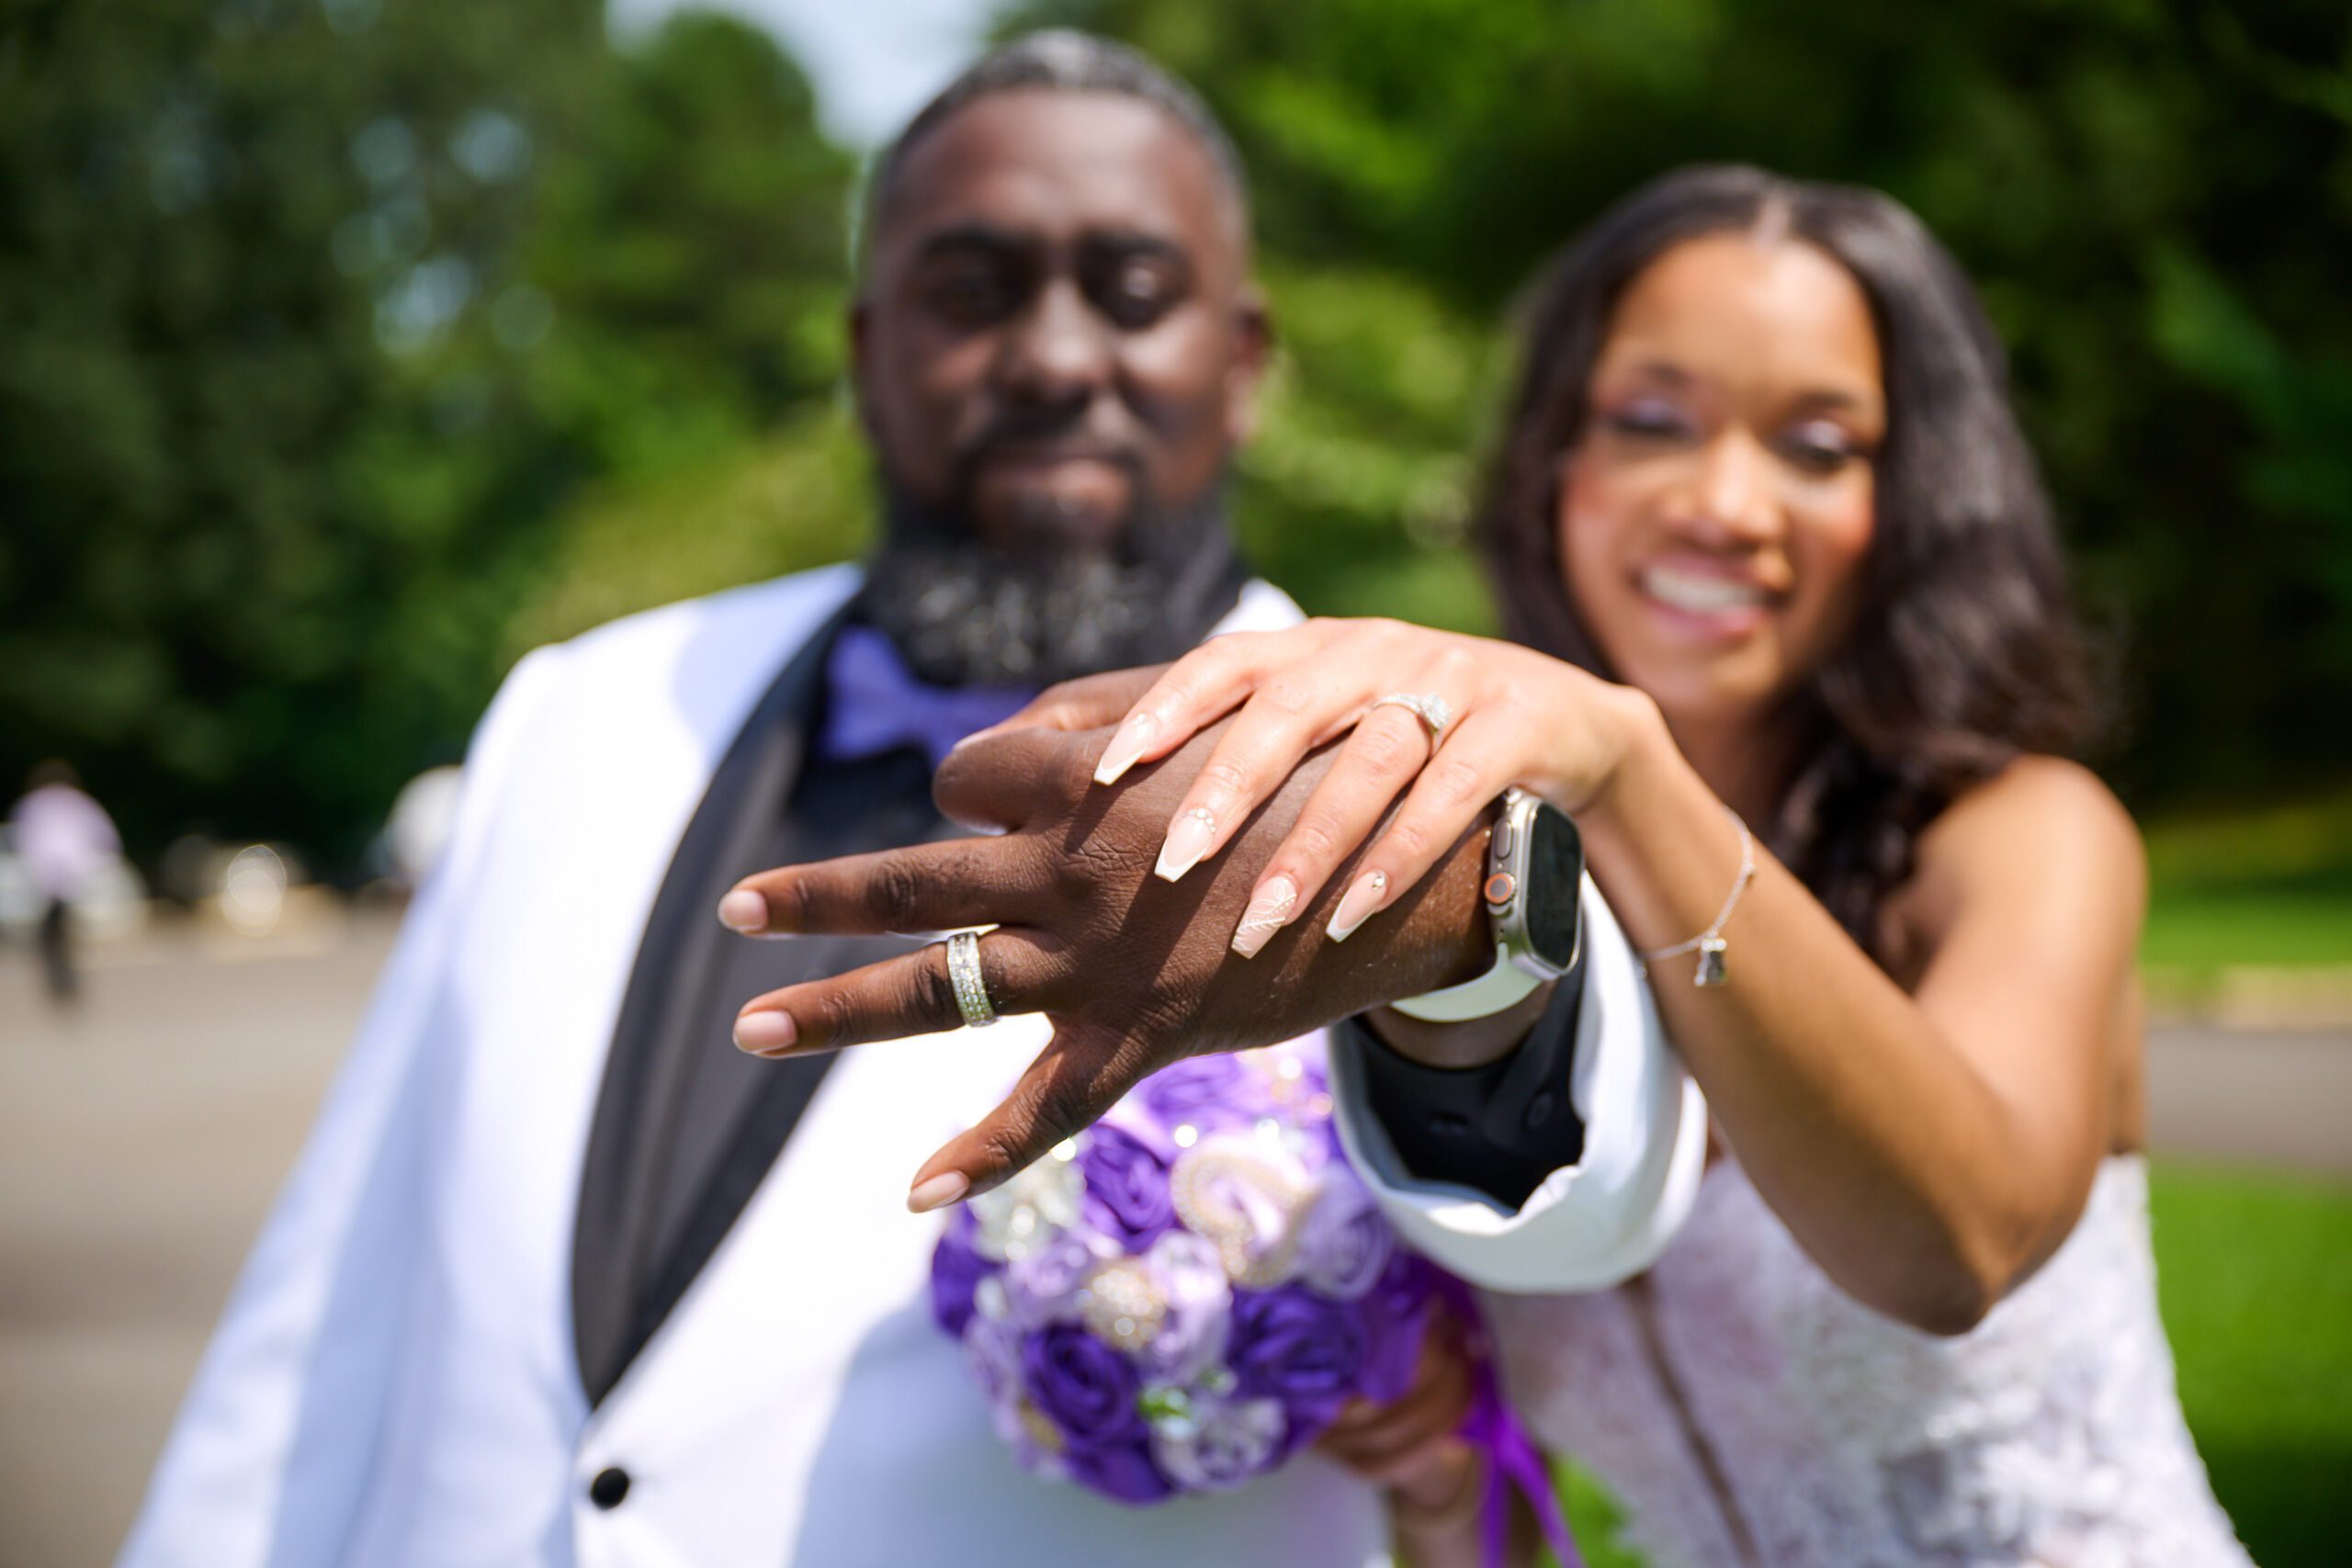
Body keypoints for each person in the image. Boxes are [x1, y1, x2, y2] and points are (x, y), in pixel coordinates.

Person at [121, 34, 1693, 1568]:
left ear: (1244, 363)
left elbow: (1583, 1206)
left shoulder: (1398, 764)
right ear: (866, 354)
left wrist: (1454, 943)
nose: (1055, 357)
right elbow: (329, 1310)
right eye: (973, 289)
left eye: (1133, 292)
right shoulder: (579, 707)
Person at [772, 164, 2249, 1564]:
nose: (1726, 502)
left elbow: (1954, 1251)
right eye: (1654, 419)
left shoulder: (2021, 835)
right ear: (1558, 462)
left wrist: (1629, 767)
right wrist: (1441, 1466)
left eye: (1816, 445)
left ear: (1914, 494)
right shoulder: (1482, 902)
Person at [10, 761, 121, 1004]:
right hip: (75, 872)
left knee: (51, 931)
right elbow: (105, 836)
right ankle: (67, 979)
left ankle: (58, 979)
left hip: (43, 874)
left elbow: (23, 838)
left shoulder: (33, 803)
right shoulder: (80, 802)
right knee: (66, 928)